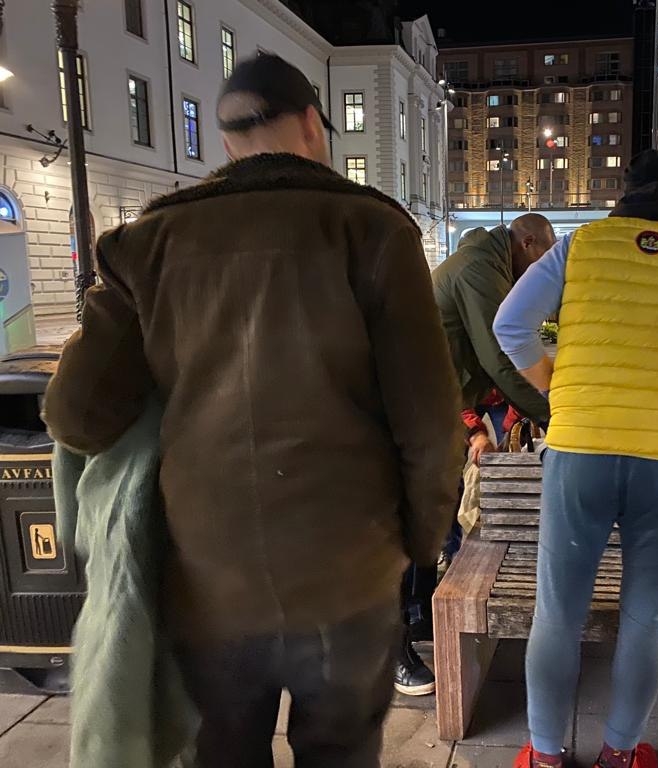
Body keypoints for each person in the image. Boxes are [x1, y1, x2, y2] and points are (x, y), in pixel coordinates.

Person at [44, 54, 463, 768]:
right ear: (312, 125)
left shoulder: (148, 242)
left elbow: (77, 415)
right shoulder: (372, 230)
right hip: (348, 571)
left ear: (225, 138)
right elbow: (430, 423)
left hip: (208, 575)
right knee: (340, 753)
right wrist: (418, 545)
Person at [493, 150, 658, 768]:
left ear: (622, 196)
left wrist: (556, 385)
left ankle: (545, 757)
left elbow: (511, 325)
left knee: (557, 615)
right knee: (649, 620)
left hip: (580, 449)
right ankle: (620, 756)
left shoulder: (579, 247)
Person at [390, 213, 557, 697]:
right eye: (544, 259)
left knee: (433, 518)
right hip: (412, 413)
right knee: (408, 526)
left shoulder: (490, 265)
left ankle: (419, 618)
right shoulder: (479, 269)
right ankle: (391, 648)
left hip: (434, 411)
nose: (542, 271)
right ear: (527, 242)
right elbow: (501, 355)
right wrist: (556, 415)